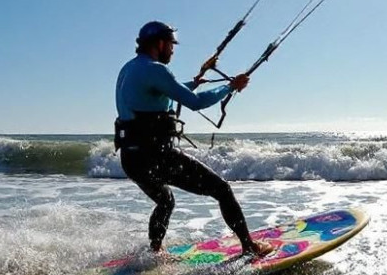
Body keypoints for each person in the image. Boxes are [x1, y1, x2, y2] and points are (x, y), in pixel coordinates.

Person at [114, 21, 274, 257]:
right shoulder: (156, 69)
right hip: (155, 156)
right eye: (171, 45)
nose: (172, 50)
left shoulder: (129, 69)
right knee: (222, 189)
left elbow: (159, 94)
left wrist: (193, 83)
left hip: (131, 159)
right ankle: (250, 247)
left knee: (165, 200)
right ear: (160, 43)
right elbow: (195, 102)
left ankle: (154, 252)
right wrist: (230, 87)